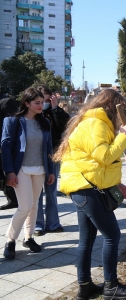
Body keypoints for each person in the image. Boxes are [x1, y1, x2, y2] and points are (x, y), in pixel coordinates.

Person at [53, 89, 126, 300]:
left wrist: (115, 184)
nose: (121, 116)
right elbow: (105, 156)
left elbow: (92, 162)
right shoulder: (95, 123)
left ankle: (85, 287)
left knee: (87, 239)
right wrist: (124, 137)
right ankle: (111, 286)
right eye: (121, 110)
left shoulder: (92, 121)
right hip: (85, 188)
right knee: (112, 235)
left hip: (85, 184)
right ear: (112, 107)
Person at [2, 87, 55, 259]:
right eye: (37, 103)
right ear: (26, 103)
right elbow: (6, 147)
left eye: (43, 102)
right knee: (24, 206)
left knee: (34, 205)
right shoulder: (12, 121)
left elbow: (48, 148)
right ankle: (10, 240)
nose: (41, 105)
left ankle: (28, 237)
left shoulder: (45, 122)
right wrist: (9, 171)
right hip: (21, 170)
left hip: (40, 170)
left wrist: (51, 171)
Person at [34, 85, 70, 236]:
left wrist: (55, 109)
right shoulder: (32, 113)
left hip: (52, 155)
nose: (44, 103)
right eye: (41, 100)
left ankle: (53, 223)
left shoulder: (56, 112)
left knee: (51, 191)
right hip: (34, 157)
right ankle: (37, 225)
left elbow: (65, 127)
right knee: (36, 193)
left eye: (48, 99)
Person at [0, 96, 19, 210]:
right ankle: (13, 199)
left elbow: (12, 125)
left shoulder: (7, 102)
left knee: (3, 174)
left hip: (4, 146)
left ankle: (14, 199)